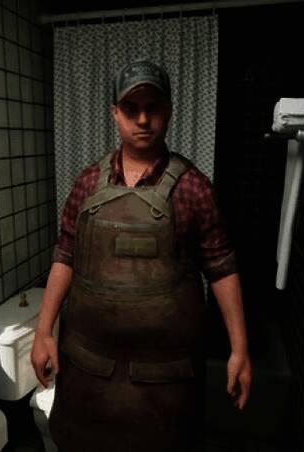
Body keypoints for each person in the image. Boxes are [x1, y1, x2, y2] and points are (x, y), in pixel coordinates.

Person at [30, 59, 251, 452]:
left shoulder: (194, 188)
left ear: (170, 112)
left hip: (165, 381)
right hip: (87, 372)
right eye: (131, 109)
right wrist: (43, 331)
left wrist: (240, 349)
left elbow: (221, 266)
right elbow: (65, 253)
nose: (143, 120)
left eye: (154, 108)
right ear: (115, 113)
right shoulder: (87, 182)